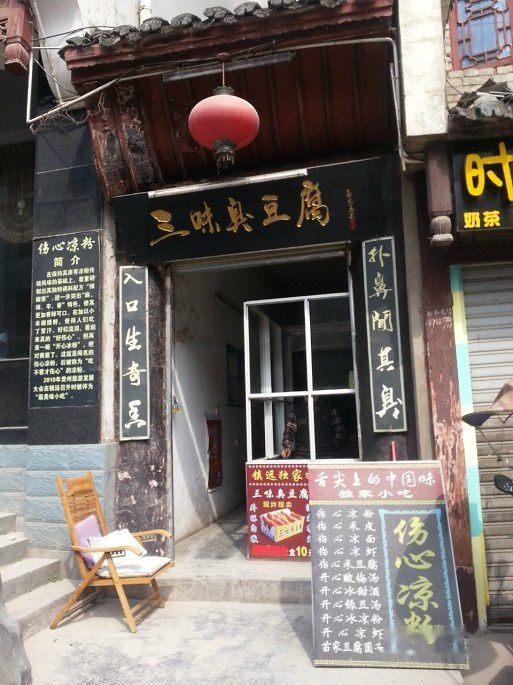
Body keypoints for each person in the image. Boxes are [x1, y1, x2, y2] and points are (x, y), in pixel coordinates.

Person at [280, 396, 346, 459]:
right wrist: (287, 447)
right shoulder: (297, 411)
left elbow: (340, 430)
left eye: (314, 394)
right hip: (302, 454)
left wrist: (332, 444)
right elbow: (289, 430)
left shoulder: (329, 409)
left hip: (326, 454)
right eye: (306, 395)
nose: (310, 396)